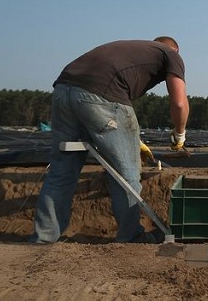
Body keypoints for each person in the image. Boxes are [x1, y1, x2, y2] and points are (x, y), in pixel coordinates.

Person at [30, 36, 189, 244]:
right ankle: (131, 237)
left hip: (63, 90)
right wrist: (180, 134)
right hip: (100, 95)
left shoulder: (132, 49)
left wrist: (130, 138)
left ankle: (44, 238)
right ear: (176, 50)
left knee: (61, 171)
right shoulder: (170, 53)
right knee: (126, 174)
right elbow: (178, 103)